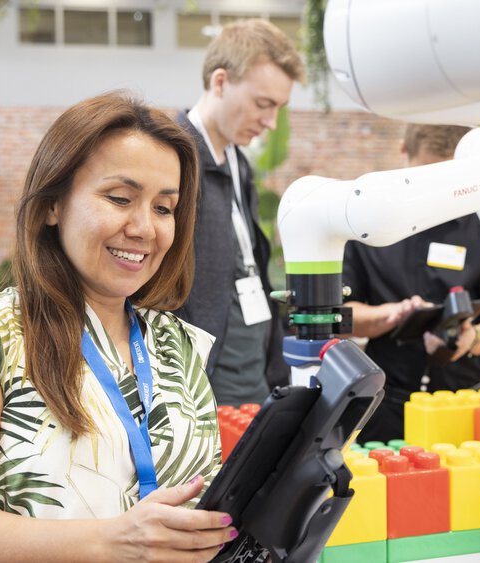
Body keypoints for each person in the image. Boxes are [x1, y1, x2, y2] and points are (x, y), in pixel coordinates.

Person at [0, 92, 236, 562]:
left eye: (164, 208)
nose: (145, 227)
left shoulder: (179, 343)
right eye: (120, 198)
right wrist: (117, 542)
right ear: (52, 204)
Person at [342, 124, 480, 443]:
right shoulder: (368, 225)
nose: (438, 190)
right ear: (403, 153)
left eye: (448, 177)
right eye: (428, 174)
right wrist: (388, 316)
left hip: (463, 404)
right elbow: (341, 315)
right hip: (386, 405)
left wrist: (472, 337)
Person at [175, 19, 305, 407]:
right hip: (206, 379)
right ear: (220, 82)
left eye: (278, 108)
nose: (270, 122)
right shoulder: (174, 158)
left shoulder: (237, 161)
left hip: (255, 367)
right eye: (263, 104)